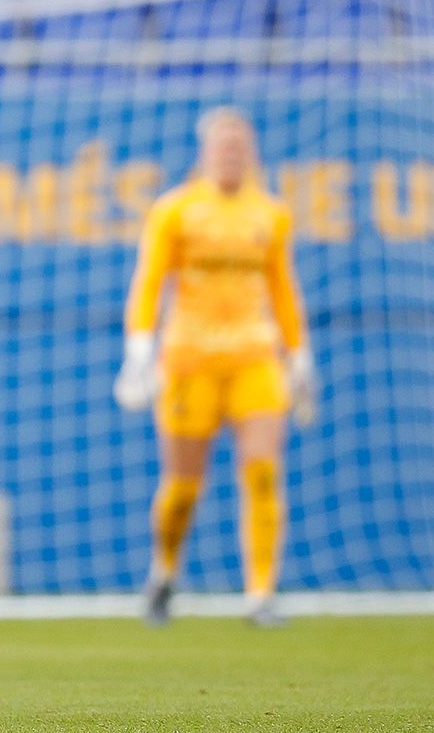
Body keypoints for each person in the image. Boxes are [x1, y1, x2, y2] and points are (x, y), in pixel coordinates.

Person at [114, 107, 317, 627]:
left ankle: (260, 594)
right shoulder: (176, 211)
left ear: (251, 155)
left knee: (264, 473)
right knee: (183, 487)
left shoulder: (270, 214)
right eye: (222, 148)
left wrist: (299, 356)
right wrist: (140, 348)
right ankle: (163, 573)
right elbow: (150, 280)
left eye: (239, 148)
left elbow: (283, 290)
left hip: (254, 357)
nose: (231, 157)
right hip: (189, 360)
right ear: (205, 154)